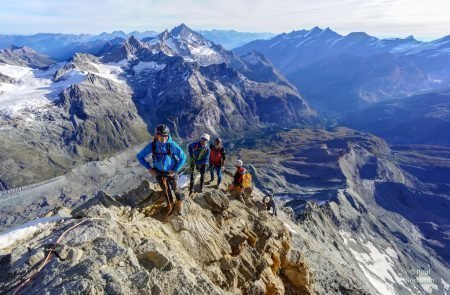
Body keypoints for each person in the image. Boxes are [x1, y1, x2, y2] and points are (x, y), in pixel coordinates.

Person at [136, 124, 186, 217]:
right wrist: (150, 168)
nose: (163, 138)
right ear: (157, 135)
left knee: (176, 188)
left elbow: (183, 157)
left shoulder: (172, 146)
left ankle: (179, 202)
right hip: (159, 173)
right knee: (165, 190)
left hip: (171, 172)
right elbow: (139, 156)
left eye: (165, 135)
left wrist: (175, 170)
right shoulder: (153, 146)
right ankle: (170, 204)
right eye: (161, 135)